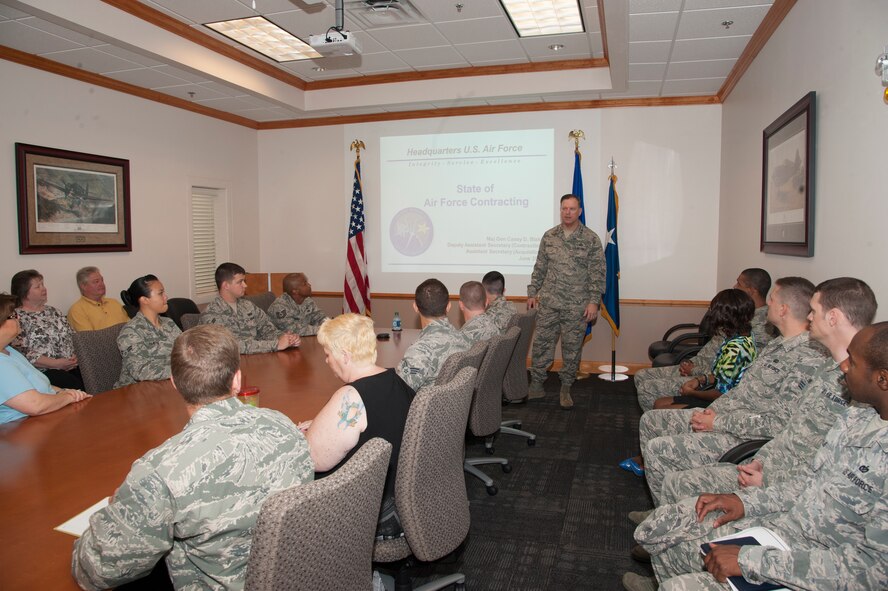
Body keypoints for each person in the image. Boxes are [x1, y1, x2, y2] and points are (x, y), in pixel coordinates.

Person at [625, 321, 888, 591]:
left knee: (681, 573)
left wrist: (753, 560)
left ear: (882, 379)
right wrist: (743, 502)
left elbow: (875, 573)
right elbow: (809, 483)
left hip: (814, 560)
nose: (843, 367)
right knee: (663, 529)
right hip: (785, 522)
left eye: (852, 363)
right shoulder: (856, 417)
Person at [71, 324, 314, 591]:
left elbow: (96, 571)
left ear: (175, 383)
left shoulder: (160, 471)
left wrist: (119, 509)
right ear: (236, 380)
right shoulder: (284, 426)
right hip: (296, 575)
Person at [654, 277, 876, 508]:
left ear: (833, 317)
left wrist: (721, 424)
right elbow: (789, 429)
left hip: (786, 484)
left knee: (672, 477)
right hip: (766, 458)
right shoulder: (823, 366)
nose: (809, 317)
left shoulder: (848, 379)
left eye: (815, 311)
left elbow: (826, 466)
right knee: (665, 463)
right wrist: (761, 460)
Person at [629, 278, 825, 505]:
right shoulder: (778, 344)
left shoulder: (807, 359)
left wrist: (718, 422)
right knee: (651, 421)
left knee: (658, 449)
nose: (765, 305)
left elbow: (777, 423)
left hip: (742, 435)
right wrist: (712, 409)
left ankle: (668, 515)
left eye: (771, 299)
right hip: (722, 414)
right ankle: (663, 509)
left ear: (783, 309)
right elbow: (739, 388)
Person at [298, 313, 414, 538]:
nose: (326, 360)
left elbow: (313, 460)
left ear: (344, 356)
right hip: (401, 497)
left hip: (370, 510)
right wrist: (323, 424)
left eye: (328, 354)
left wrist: (299, 435)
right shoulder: (395, 379)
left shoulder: (351, 397)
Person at [634, 268, 776, 413]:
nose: (734, 286)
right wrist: (695, 369)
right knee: (641, 376)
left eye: (738, 283)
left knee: (648, 389)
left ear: (751, 290)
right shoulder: (737, 315)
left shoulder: (758, 329)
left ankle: (656, 420)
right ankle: (655, 419)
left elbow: (730, 379)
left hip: (711, 383)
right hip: (703, 372)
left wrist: (696, 373)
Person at [527, 193, 605, 409]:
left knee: (571, 349)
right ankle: (536, 384)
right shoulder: (549, 236)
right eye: (564, 208)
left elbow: (598, 273)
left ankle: (566, 387)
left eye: (572, 209)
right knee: (542, 344)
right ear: (560, 210)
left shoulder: (590, 239)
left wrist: (593, 302)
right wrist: (532, 292)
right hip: (549, 303)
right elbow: (540, 267)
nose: (567, 212)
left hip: (576, 306)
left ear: (579, 211)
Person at [652, 289, 757, 410]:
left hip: (723, 404)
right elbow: (722, 376)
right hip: (720, 394)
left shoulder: (735, 349)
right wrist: (700, 380)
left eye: (713, 310)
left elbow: (721, 394)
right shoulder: (741, 335)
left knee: (660, 408)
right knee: (659, 403)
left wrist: (691, 393)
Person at [0, 294, 90, 424]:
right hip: (21, 428)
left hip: (43, 418)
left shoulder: (10, 351)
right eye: (13, 316)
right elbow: (35, 405)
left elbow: (41, 385)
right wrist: (68, 396)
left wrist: (67, 392)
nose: (19, 318)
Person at [200, 262, 300, 354]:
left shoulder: (248, 306)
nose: (245, 285)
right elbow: (231, 347)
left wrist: (286, 338)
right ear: (226, 285)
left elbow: (268, 329)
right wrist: (276, 344)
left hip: (258, 360)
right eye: (240, 282)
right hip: (230, 366)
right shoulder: (211, 314)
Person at [10, 269, 82, 389]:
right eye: (38, 286)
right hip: (42, 371)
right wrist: (57, 364)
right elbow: (22, 352)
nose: (44, 288)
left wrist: (75, 357)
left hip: (71, 365)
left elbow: (73, 336)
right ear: (24, 292)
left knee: (94, 376)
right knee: (73, 384)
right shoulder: (15, 318)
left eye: (43, 284)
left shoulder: (54, 311)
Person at [396, 278, 470, 392]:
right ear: (448, 306)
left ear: (415, 307)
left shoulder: (419, 352)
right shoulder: (465, 339)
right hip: (457, 408)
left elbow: (399, 392)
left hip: (423, 409)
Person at [115, 275, 182, 388]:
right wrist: (183, 371)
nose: (166, 296)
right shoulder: (131, 332)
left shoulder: (169, 323)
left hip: (167, 385)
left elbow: (185, 350)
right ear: (144, 300)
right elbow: (140, 371)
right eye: (160, 293)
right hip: (136, 392)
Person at [66, 266, 130, 331]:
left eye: (102, 280)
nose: (101, 284)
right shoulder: (77, 311)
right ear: (83, 286)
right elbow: (89, 338)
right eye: (96, 281)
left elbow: (130, 326)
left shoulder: (114, 302)